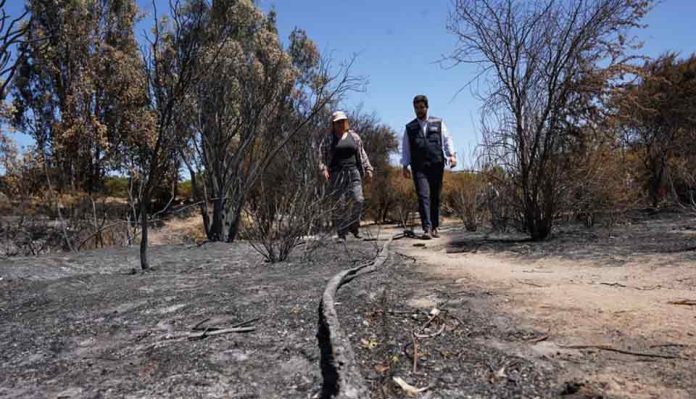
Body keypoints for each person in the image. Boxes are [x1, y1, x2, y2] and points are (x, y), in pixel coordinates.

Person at [401, 95, 457, 239]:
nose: (419, 110)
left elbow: (447, 139)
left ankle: (435, 227)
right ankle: (427, 228)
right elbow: (406, 147)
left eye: (421, 107)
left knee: (435, 196)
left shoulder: (438, 122)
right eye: (416, 108)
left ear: (426, 107)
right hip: (419, 167)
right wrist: (405, 165)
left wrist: (452, 155)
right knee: (423, 195)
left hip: (436, 164)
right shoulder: (410, 127)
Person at [319, 111, 374, 240]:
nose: (340, 124)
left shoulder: (354, 137)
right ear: (333, 124)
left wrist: (368, 169)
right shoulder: (328, 139)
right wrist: (323, 169)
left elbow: (362, 153)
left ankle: (354, 226)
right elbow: (321, 156)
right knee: (340, 204)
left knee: (358, 199)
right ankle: (341, 232)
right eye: (337, 122)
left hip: (353, 171)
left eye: (342, 121)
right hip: (337, 173)